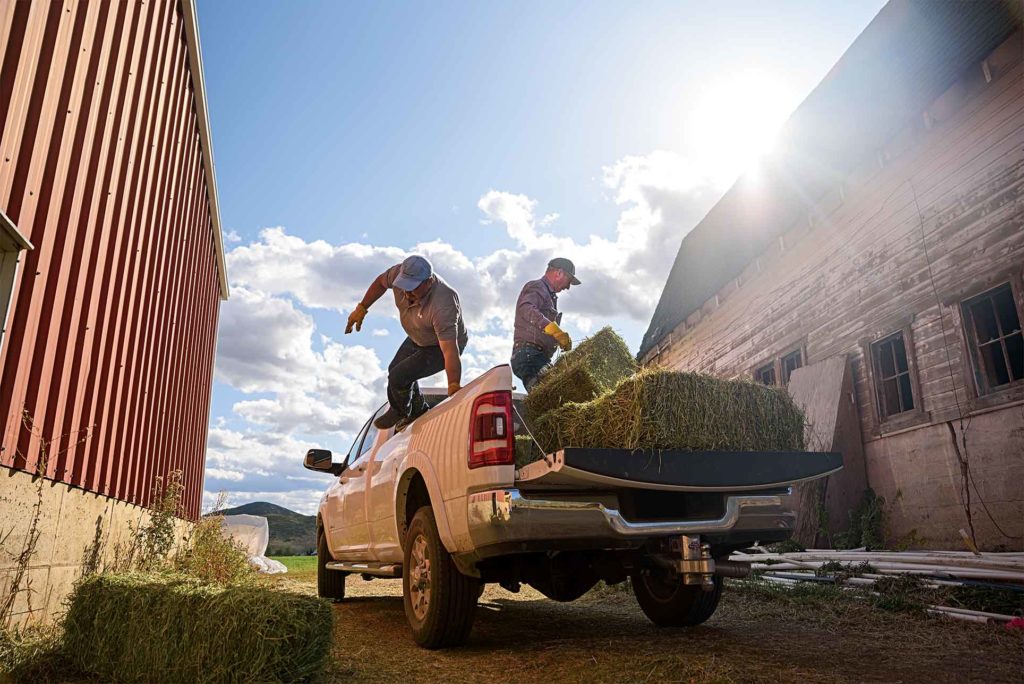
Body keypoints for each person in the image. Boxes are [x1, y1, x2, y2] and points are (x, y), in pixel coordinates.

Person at [345, 255, 468, 429]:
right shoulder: (398, 274)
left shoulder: (443, 302)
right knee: (393, 369)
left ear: (429, 282)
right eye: (404, 286)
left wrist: (453, 385)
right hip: (418, 335)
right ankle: (417, 410)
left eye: (413, 288)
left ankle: (402, 412)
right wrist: (362, 308)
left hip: (441, 346)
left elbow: (449, 350)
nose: (407, 293)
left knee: (399, 376)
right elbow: (380, 282)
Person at [510, 257, 580, 390]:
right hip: (530, 355)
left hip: (538, 357)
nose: (568, 287)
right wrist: (554, 330)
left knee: (557, 395)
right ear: (558, 273)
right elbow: (526, 308)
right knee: (549, 399)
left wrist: (557, 339)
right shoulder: (537, 286)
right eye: (569, 281)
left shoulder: (550, 296)